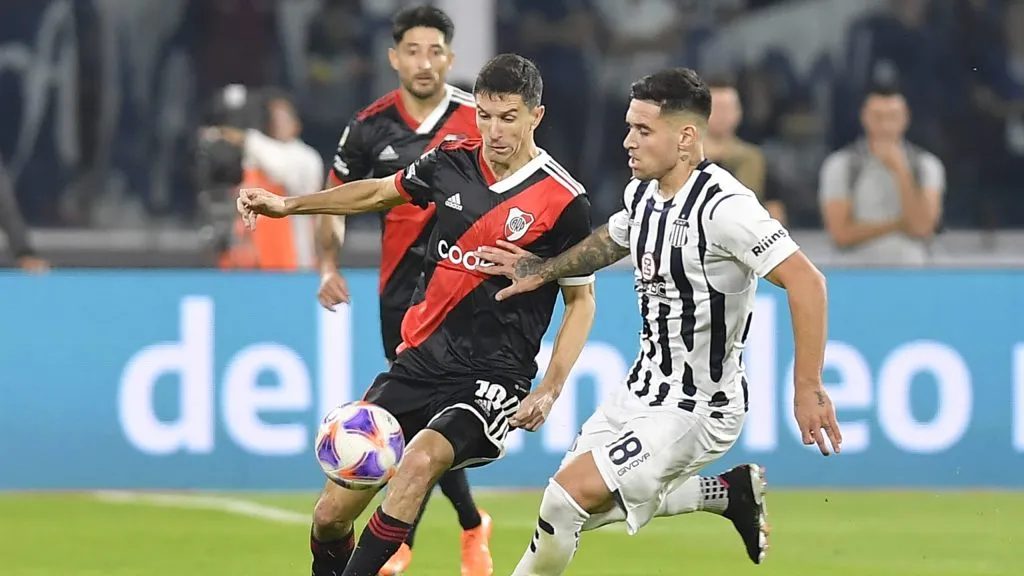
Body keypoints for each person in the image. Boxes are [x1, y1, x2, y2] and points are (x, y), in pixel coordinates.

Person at [237, 53, 597, 576]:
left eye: (509, 117)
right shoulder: (449, 159)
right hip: (418, 363)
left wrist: (551, 388)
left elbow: (581, 302)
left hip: (492, 376)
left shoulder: (565, 200)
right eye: (486, 115)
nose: (495, 130)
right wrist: (290, 205)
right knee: (330, 515)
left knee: (421, 461)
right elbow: (380, 192)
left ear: (535, 117)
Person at [475, 68, 843, 575]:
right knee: (565, 508)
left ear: (686, 137)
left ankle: (726, 493)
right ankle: (729, 493)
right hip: (639, 392)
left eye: (643, 131)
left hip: (697, 408)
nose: (628, 141)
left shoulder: (726, 209)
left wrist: (808, 386)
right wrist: (543, 270)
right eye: (629, 127)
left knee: (565, 499)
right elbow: (612, 239)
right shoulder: (643, 193)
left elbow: (808, 282)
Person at [311, 7, 483, 574]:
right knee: (421, 421)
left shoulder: (477, 121)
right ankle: (466, 522)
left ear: (450, 59)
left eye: (435, 51)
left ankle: (409, 533)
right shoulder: (368, 126)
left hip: (460, 293)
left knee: (440, 415)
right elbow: (337, 199)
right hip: (399, 296)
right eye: (413, 50)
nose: (425, 62)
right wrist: (328, 265)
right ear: (395, 57)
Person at [818, 82, 945, 266]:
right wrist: (897, 225)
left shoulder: (926, 165)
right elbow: (840, 234)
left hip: (914, 273)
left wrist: (901, 172)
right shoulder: (842, 165)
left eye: (892, 117)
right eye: (878, 117)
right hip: (855, 274)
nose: (885, 126)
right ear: (864, 117)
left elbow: (922, 227)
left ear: (905, 118)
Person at [704, 78, 786, 223]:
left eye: (728, 108)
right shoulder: (679, 159)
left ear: (739, 112)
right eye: (716, 108)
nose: (722, 115)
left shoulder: (756, 160)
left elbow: (775, 215)